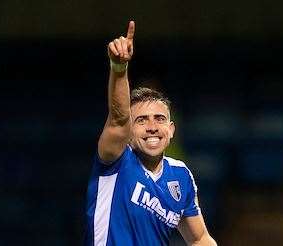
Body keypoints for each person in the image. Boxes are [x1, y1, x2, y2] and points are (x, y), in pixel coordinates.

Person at [85, 20, 217, 246]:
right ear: (128, 131)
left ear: (171, 129)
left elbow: (200, 238)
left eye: (160, 119)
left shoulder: (181, 175)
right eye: (142, 120)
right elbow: (118, 118)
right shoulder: (115, 161)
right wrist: (119, 68)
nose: (152, 127)